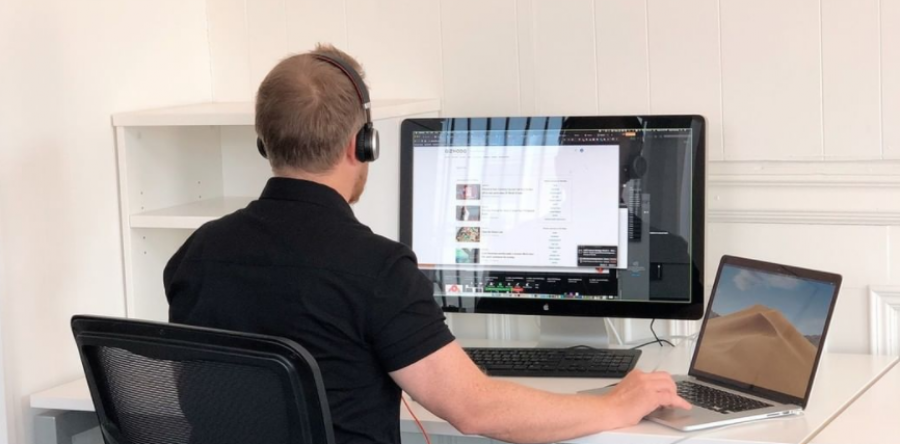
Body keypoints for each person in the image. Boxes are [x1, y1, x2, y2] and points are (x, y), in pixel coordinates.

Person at [163, 44, 690, 444]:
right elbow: (475, 408)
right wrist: (616, 406)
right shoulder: (375, 268)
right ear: (361, 143)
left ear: (263, 143)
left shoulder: (197, 252)